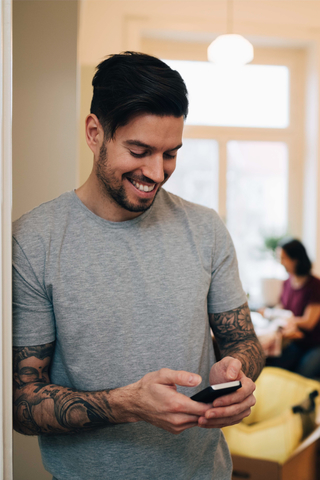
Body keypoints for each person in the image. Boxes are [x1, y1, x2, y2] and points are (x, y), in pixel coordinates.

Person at [12, 52, 264, 480]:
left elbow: (245, 342)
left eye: (170, 154)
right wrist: (126, 403)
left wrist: (237, 371)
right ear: (95, 133)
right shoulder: (33, 241)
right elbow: (22, 403)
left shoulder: (205, 229)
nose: (156, 172)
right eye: (139, 150)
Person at [266, 239, 320, 378]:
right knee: (272, 366)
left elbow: (308, 322)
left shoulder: (315, 285)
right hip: (295, 342)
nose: (281, 262)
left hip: (314, 344)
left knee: (302, 374)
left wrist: (286, 320)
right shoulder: (287, 283)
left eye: (283, 258)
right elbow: (282, 309)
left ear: (295, 259)